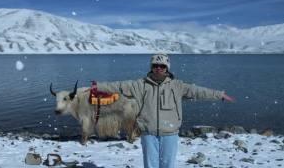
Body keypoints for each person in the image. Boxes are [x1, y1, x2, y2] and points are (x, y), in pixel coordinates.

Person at [97, 54, 235, 168]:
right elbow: (118, 86)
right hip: (148, 133)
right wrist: (98, 86)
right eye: (155, 66)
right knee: (150, 165)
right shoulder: (140, 85)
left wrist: (219, 94)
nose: (158, 68)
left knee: (167, 165)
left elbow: (197, 91)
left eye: (162, 66)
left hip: (170, 133)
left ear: (167, 68)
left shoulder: (177, 86)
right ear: (151, 67)